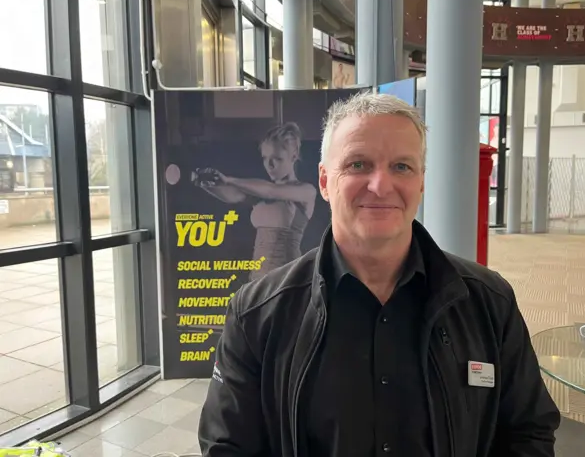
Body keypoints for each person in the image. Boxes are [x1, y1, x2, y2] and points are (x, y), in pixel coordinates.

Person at [198, 92, 560, 457]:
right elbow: (228, 446)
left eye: (402, 167)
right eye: (358, 164)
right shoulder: (256, 314)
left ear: (420, 182)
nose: (381, 185)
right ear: (325, 181)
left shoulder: (489, 303)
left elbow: (527, 432)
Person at [192, 122, 317, 280]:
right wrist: (205, 184)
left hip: (288, 281)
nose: (269, 165)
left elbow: (271, 191)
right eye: (265, 158)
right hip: (258, 280)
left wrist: (229, 180)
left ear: (293, 156)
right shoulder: (260, 191)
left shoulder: (306, 191)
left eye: (277, 159)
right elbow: (234, 196)